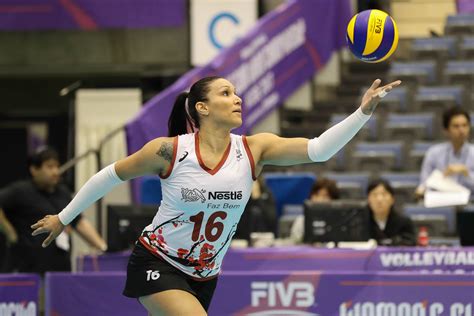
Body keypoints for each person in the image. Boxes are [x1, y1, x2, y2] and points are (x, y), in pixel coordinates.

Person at [31, 76, 401, 315]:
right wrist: (63, 218)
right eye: (226, 93)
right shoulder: (169, 150)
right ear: (202, 108)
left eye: (237, 92)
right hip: (157, 262)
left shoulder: (254, 149)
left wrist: (362, 112)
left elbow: (319, 150)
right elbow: (108, 176)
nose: (237, 98)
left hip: (206, 275)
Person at [0, 147, 107, 274]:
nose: (56, 171)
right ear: (34, 170)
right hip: (27, 270)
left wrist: (102, 248)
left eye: (57, 166)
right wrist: (9, 232)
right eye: (49, 167)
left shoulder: (63, 193)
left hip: (60, 270)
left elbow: (79, 222)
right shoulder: (20, 191)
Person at [416, 106, 474, 197]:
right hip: (440, 204)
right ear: (446, 130)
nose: (461, 130)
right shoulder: (433, 153)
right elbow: (424, 185)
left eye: (464, 125)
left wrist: (466, 173)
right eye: (456, 126)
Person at [290, 177, 340, 243]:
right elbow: (294, 244)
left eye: (325, 196)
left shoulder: (339, 223)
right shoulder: (301, 221)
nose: (319, 200)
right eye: (316, 195)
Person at [367, 179, 416, 246]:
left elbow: (411, 244)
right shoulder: (359, 223)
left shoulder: (404, 222)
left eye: (384, 194)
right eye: (374, 195)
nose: (379, 199)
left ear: (392, 199)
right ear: (368, 199)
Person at [234, 176, 277, 241]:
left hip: (265, 237)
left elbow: (272, 218)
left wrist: (258, 199)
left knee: (256, 212)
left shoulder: (266, 192)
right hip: (241, 238)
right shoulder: (236, 195)